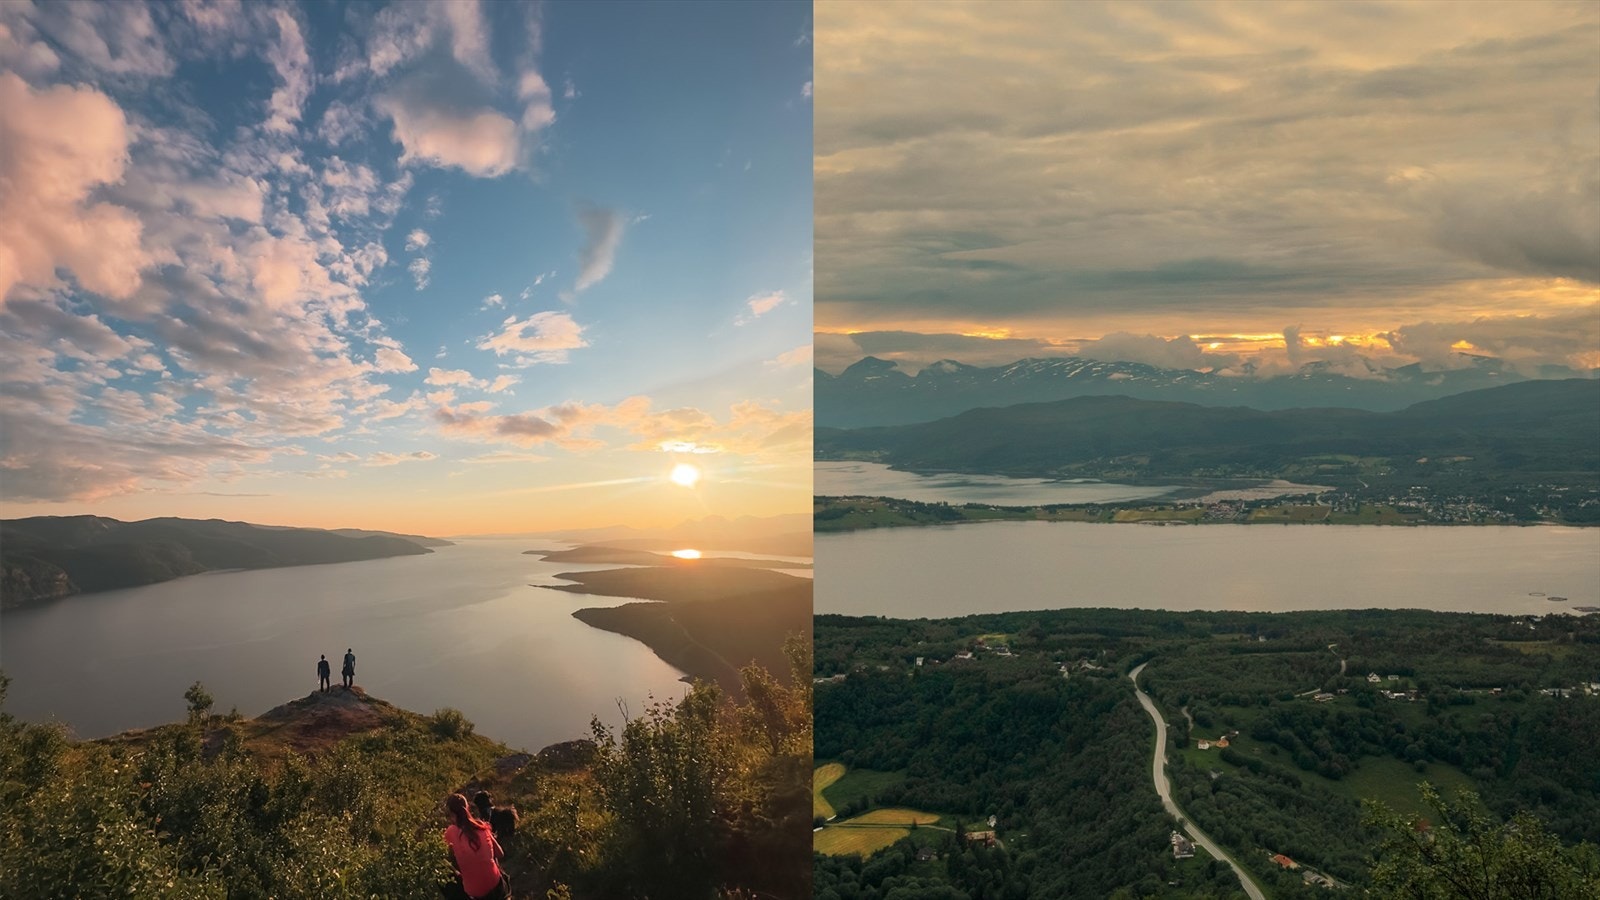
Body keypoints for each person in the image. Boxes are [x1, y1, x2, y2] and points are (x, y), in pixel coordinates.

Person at [443, 792, 508, 900]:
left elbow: (449, 860)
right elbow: (500, 854)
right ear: (468, 807)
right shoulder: (482, 827)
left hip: (476, 894)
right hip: (496, 886)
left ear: (452, 814)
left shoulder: (450, 833)